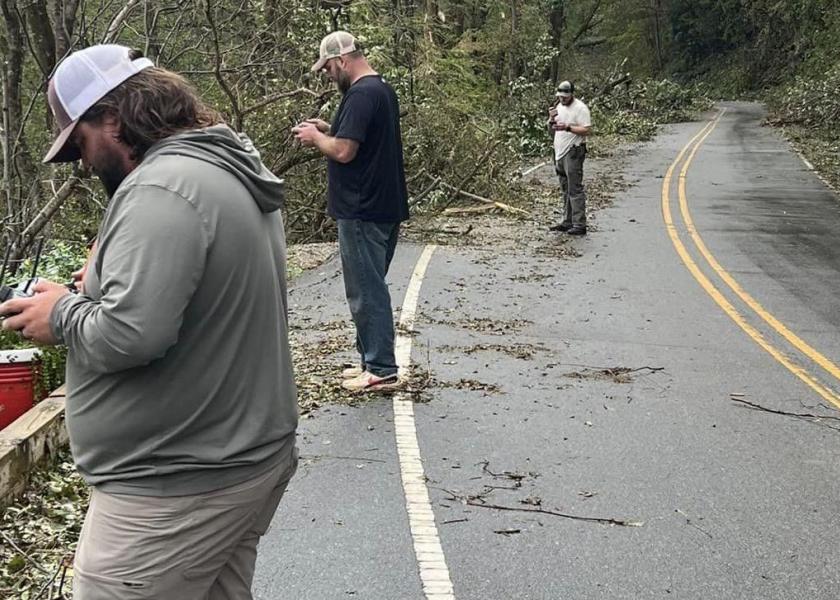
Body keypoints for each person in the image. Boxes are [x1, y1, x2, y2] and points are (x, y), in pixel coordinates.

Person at [0, 44, 298, 599]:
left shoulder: (162, 189)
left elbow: (133, 334)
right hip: (234, 458)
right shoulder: (216, 168)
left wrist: (60, 314)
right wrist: (85, 289)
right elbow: (183, 301)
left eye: (80, 145)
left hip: (175, 487)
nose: (83, 164)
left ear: (112, 116)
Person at [292, 31, 409, 393]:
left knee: (366, 290)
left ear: (342, 60)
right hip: (385, 205)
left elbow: (344, 151)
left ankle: (380, 368)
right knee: (370, 285)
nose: (328, 75)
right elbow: (360, 136)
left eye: (328, 68)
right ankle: (369, 360)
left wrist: (316, 139)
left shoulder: (359, 94)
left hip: (362, 208)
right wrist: (328, 127)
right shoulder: (380, 89)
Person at [548, 80, 591, 235]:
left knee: (575, 188)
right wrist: (551, 120)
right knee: (565, 188)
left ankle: (580, 224)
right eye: (560, 96)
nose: (562, 99)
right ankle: (568, 221)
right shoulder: (559, 106)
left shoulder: (580, 108)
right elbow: (553, 130)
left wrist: (568, 127)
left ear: (572, 94)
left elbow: (586, 130)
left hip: (573, 152)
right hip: (559, 151)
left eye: (565, 96)